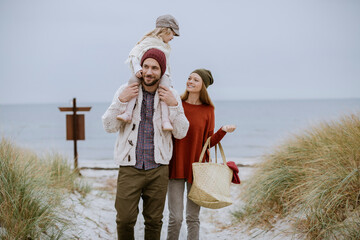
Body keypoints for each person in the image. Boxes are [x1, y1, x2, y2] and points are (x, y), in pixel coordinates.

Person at [102, 48, 189, 240]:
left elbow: (181, 132)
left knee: (154, 221)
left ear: (162, 71)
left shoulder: (171, 94)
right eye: (146, 66)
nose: (149, 72)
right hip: (129, 167)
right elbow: (108, 125)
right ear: (140, 68)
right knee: (124, 220)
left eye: (155, 68)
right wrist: (121, 100)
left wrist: (174, 105)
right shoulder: (125, 90)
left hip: (158, 169)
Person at [167, 69, 236, 240]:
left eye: (195, 79)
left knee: (192, 218)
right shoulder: (177, 104)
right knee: (175, 218)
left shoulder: (208, 110)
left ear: (203, 85)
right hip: (175, 165)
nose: (190, 81)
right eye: (189, 78)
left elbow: (208, 142)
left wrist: (223, 131)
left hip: (197, 169)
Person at [117, 14, 180, 131]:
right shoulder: (149, 41)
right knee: (132, 83)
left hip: (162, 74)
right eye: (173, 34)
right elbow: (134, 54)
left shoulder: (165, 46)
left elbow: (166, 65)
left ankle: (165, 120)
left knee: (165, 90)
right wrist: (137, 69)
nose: (173, 37)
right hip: (144, 72)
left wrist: (169, 78)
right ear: (166, 30)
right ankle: (128, 113)